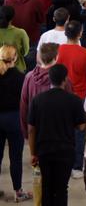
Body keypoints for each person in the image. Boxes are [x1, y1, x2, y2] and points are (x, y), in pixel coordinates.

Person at [27, 64, 86, 206]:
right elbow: (81, 126)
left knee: (46, 186)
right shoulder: (74, 100)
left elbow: (31, 130)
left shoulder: (38, 100)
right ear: (65, 79)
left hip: (44, 150)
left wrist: (33, 153)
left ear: (49, 79)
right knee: (61, 188)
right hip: (66, 151)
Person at [55, 20, 86, 178]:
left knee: (61, 130)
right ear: (80, 33)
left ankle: (61, 164)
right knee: (80, 131)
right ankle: (76, 166)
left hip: (61, 96)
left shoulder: (58, 50)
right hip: (81, 96)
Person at [0, 45, 30, 202]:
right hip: (14, 119)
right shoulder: (20, 77)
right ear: (15, 58)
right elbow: (25, 102)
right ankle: (18, 192)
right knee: (15, 158)